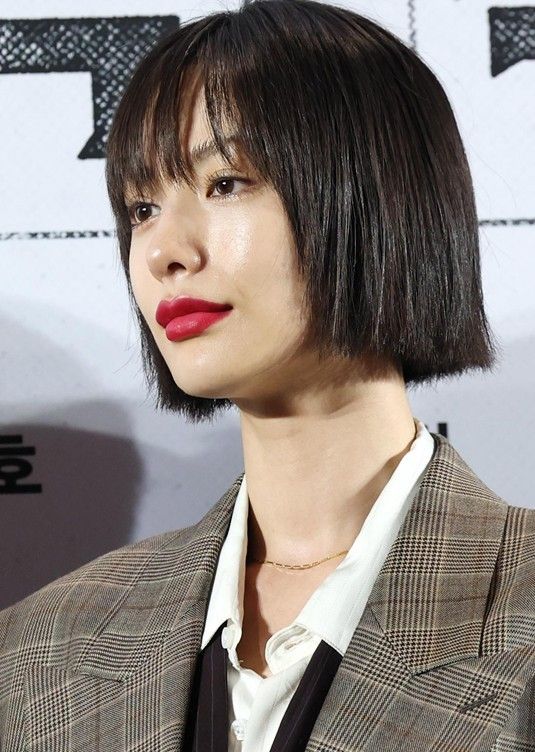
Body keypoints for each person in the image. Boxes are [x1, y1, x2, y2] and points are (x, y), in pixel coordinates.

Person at [1, 0, 535, 749]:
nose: (163, 252)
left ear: (375, 198)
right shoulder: (42, 651)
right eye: (142, 207)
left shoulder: (517, 610)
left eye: (225, 183)